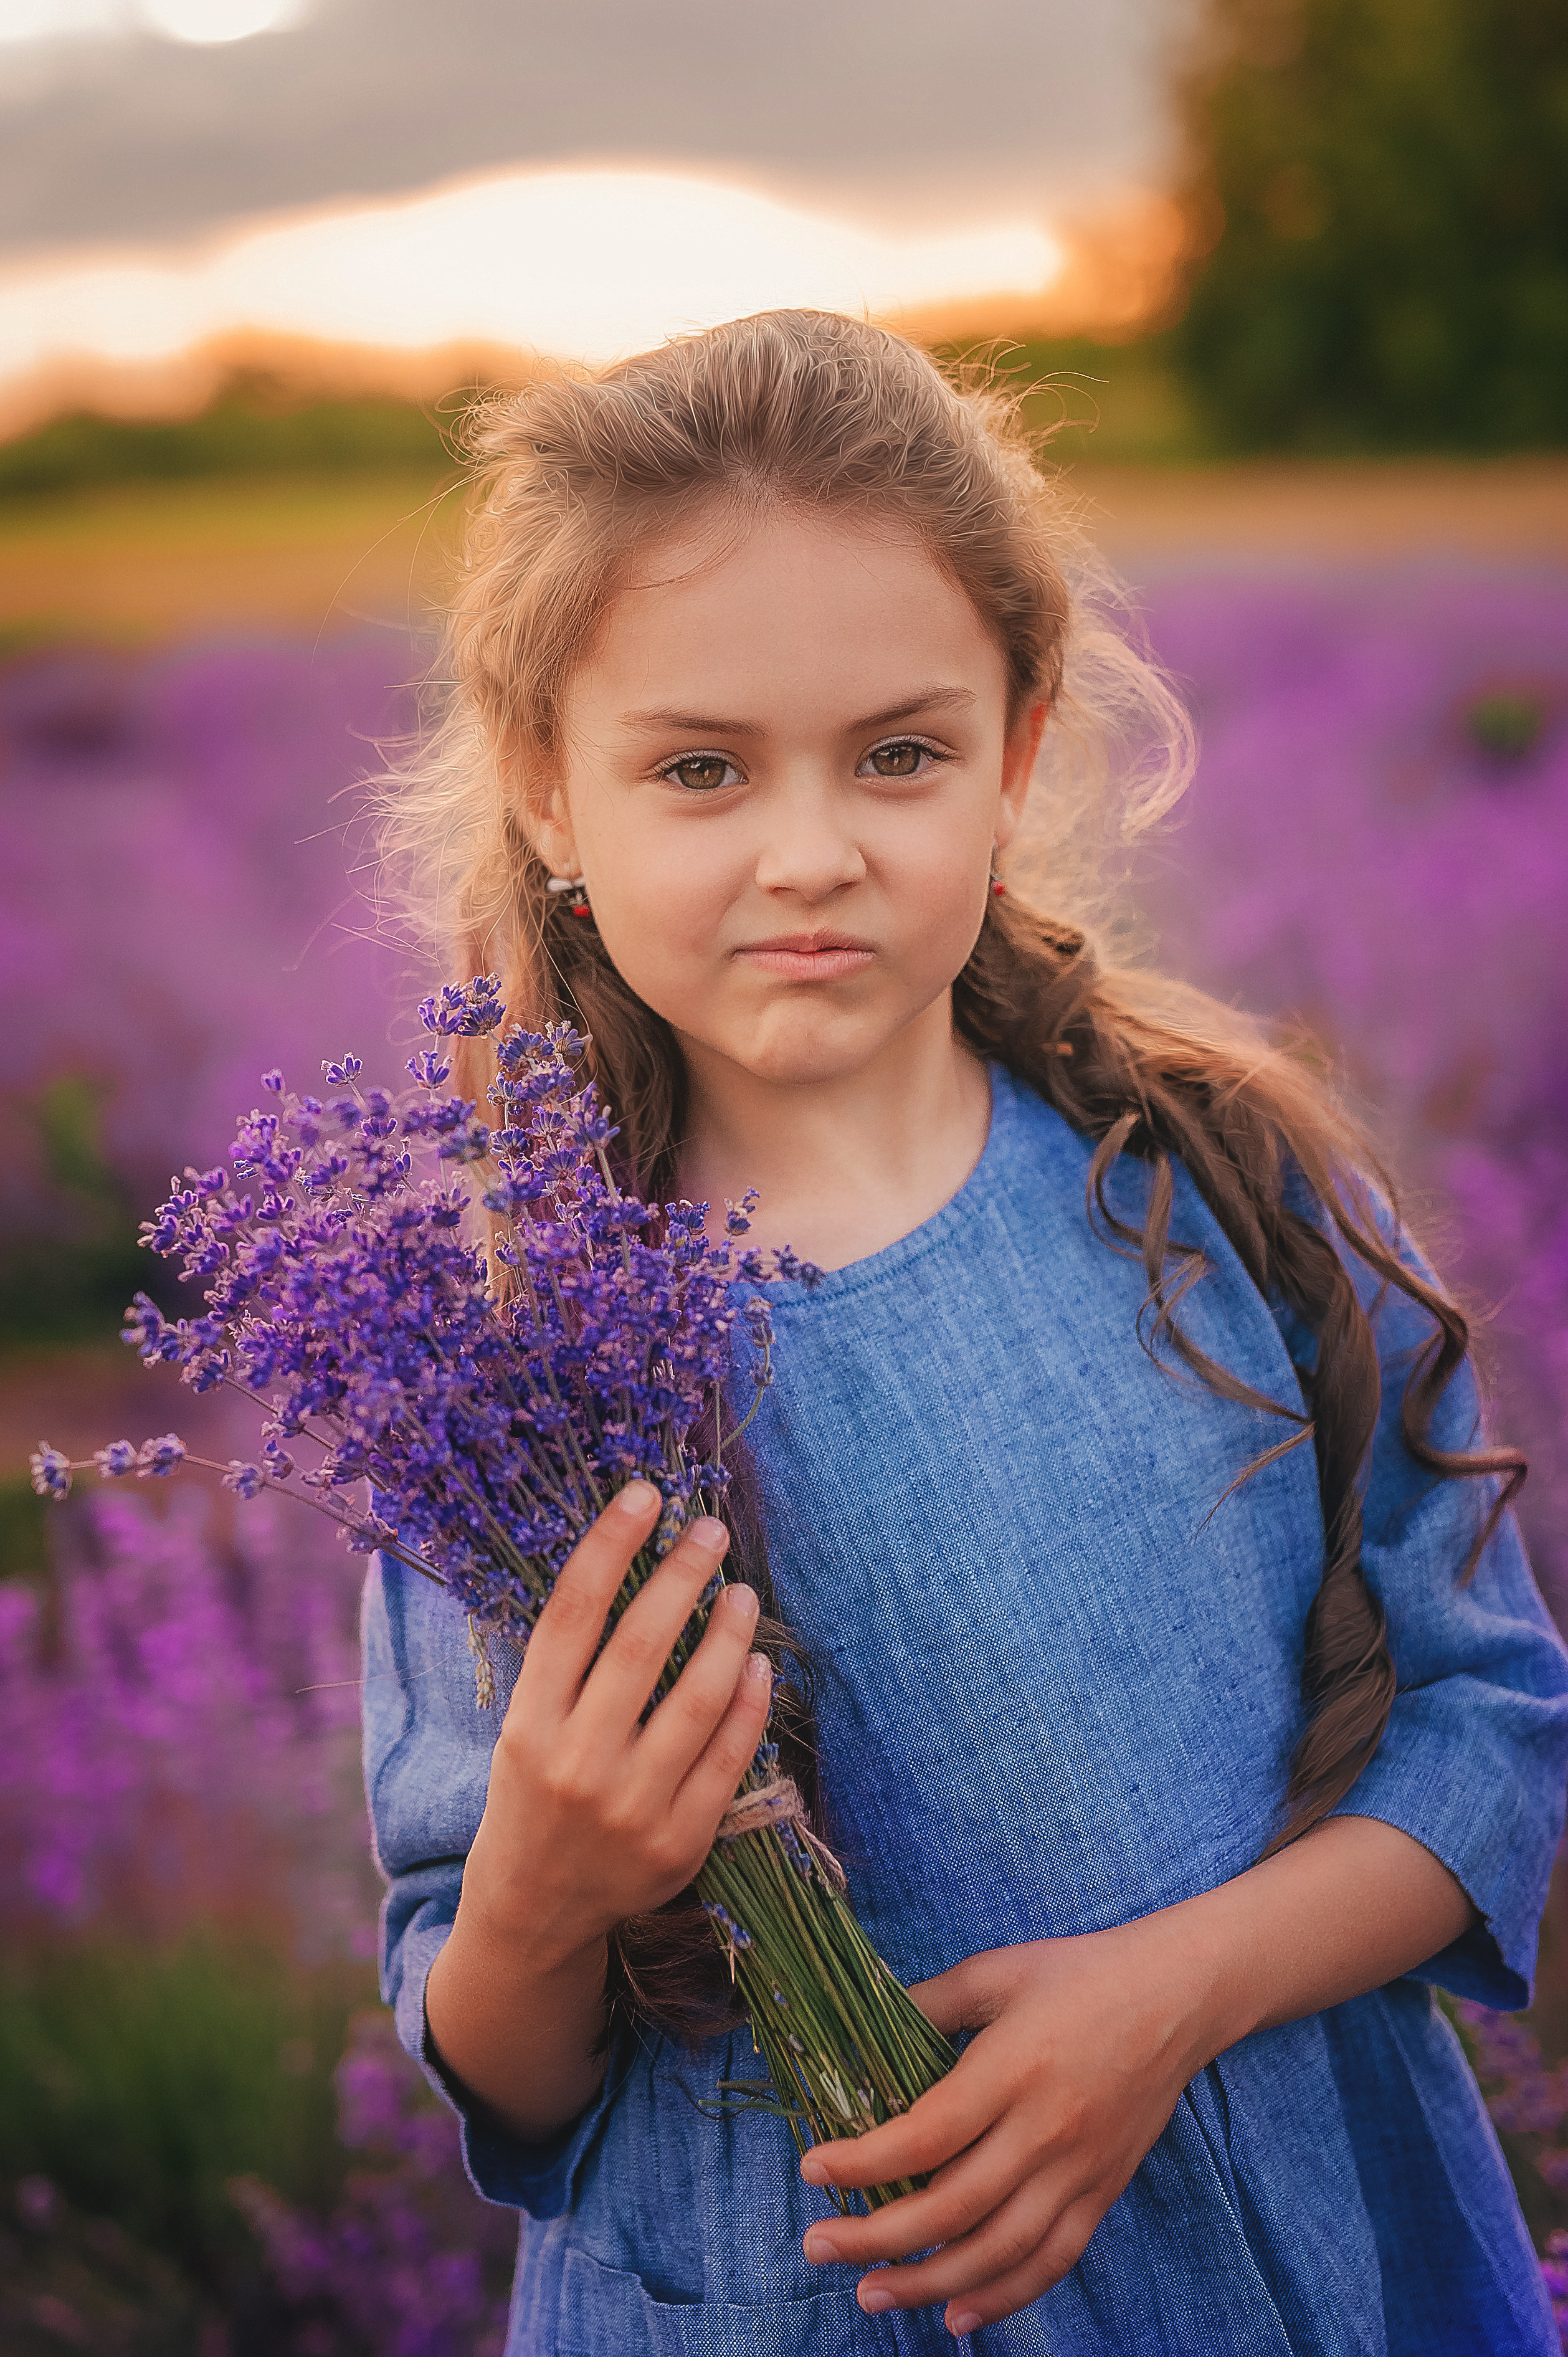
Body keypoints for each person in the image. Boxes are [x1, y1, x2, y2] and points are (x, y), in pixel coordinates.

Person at [363, 309, 1568, 2355]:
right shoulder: (514, 1376)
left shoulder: (1225, 1189)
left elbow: (1494, 1729)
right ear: (550, 795)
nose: (811, 852)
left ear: (1017, 753)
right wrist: (546, 1879)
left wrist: (1177, 1992)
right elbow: (505, 2068)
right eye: (699, 769)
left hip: (1287, 2260)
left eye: (898, 753)